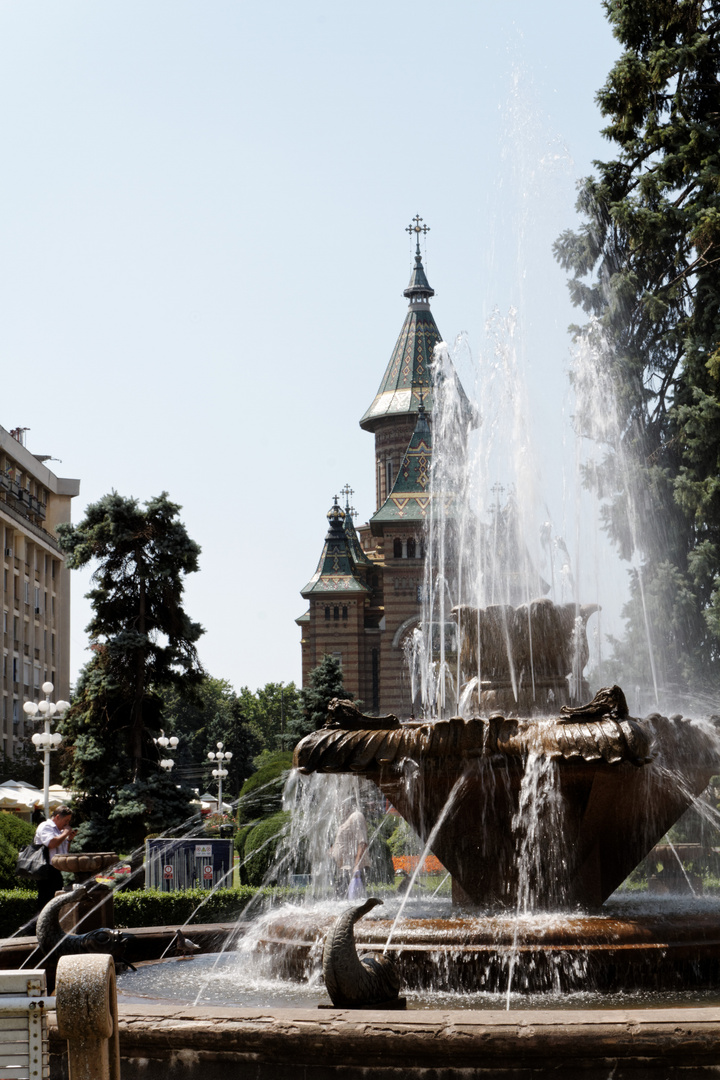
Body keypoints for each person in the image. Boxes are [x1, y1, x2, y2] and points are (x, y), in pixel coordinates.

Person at [33, 805, 77, 912]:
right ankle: (39, 927)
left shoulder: (59, 830)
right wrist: (65, 833)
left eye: (69, 821)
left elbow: (63, 852)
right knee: (45, 902)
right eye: (66, 820)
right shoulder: (46, 826)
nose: (67, 824)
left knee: (55, 902)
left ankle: (51, 926)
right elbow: (51, 843)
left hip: (55, 870)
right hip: (45, 870)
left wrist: (69, 840)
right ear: (57, 817)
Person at [330, 798, 370, 899]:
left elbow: (362, 842)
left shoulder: (356, 816)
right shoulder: (348, 819)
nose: (338, 810)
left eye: (340, 807)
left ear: (348, 806)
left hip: (352, 868)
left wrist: (356, 866)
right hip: (346, 867)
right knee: (342, 899)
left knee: (348, 899)